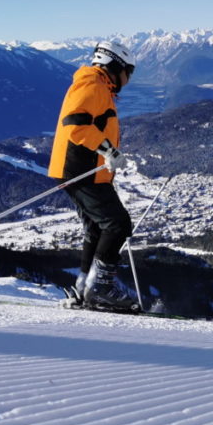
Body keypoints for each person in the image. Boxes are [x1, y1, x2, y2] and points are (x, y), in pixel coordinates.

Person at [48, 41, 138, 311]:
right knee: (117, 224)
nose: (129, 79)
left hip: (83, 170)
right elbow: (75, 124)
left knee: (98, 228)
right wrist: (108, 150)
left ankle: (85, 285)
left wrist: (107, 153)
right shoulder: (93, 84)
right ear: (116, 66)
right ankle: (100, 288)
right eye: (128, 72)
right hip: (80, 169)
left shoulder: (98, 86)